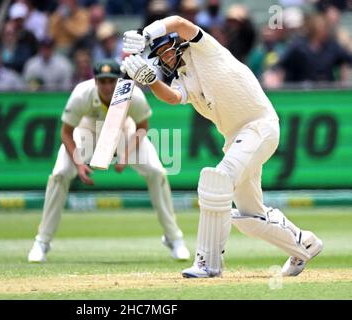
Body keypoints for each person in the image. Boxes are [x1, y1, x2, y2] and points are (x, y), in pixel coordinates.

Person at [121, 15, 323, 278]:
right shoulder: (183, 78)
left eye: (165, 49)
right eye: (158, 55)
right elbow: (171, 97)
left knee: (216, 180)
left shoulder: (205, 49)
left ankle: (209, 263)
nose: (165, 58)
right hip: (237, 139)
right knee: (251, 218)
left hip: (260, 126)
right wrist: (150, 80)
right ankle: (304, 244)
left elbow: (180, 22)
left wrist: (146, 34)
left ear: (177, 45)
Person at [27, 59, 190, 263]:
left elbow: (142, 126)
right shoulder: (81, 93)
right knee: (60, 173)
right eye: (102, 81)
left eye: (111, 81)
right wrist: (79, 164)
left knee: (156, 172)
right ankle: (42, 241)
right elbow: (66, 133)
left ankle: (174, 238)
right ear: (95, 81)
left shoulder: (133, 94)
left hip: (124, 132)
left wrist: (125, 155)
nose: (106, 86)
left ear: (118, 80)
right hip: (87, 133)